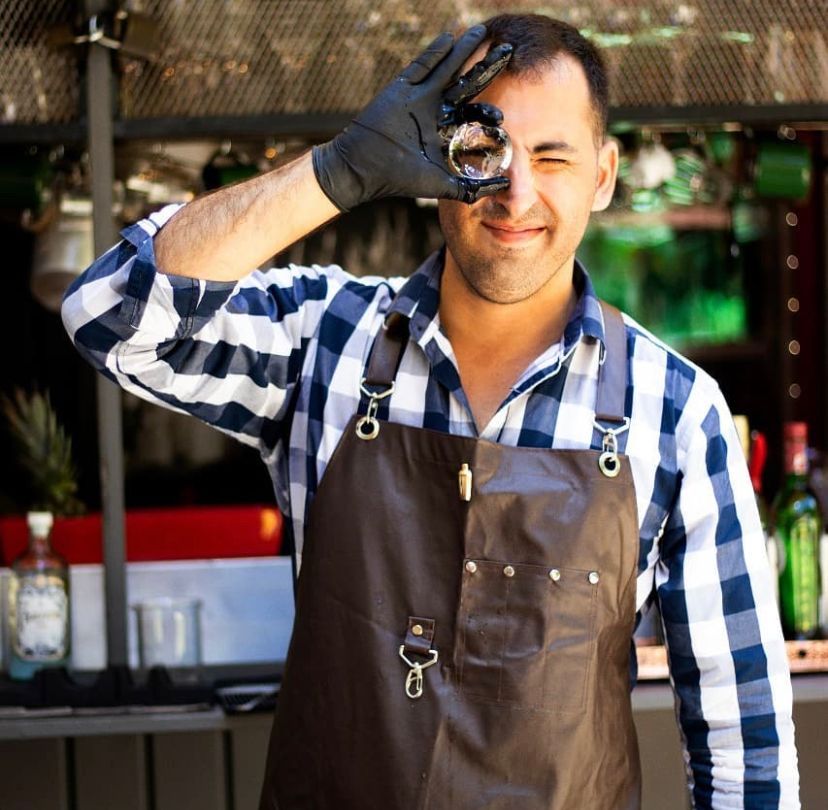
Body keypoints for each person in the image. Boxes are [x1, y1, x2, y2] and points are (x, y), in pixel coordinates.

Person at [62, 13, 799, 810]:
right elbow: (107, 315)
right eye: (483, 150)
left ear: (604, 174)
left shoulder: (678, 412)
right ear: (432, 157)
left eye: (554, 157)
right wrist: (335, 172)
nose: (515, 191)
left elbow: (742, 738)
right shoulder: (324, 339)